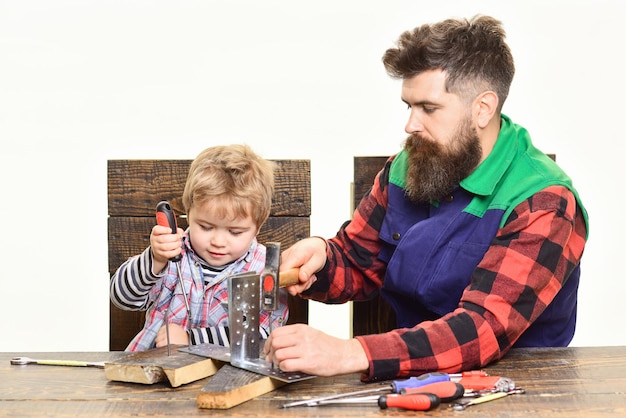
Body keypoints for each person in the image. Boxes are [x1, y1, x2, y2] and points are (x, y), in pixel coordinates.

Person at [264, 15, 588, 382]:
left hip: (516, 389)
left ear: (482, 108)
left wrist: (350, 352)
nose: (410, 125)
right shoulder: (408, 166)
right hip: (409, 380)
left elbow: (482, 330)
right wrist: (321, 259)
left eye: (429, 108)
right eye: (409, 106)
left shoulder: (544, 201)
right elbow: (359, 261)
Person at [110, 144, 288, 351]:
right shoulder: (172, 254)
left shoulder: (265, 269)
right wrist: (155, 260)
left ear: (258, 225)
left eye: (235, 232)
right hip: (156, 371)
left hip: (230, 378)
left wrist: (191, 339)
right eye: (205, 227)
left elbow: (265, 334)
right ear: (189, 212)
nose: (218, 242)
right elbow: (122, 298)